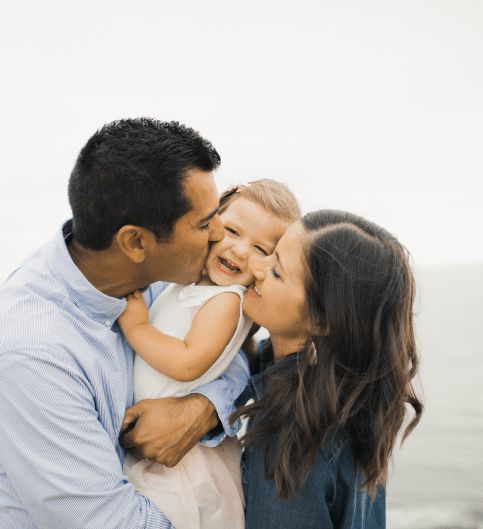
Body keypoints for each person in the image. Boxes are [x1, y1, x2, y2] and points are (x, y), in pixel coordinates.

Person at [0, 118, 250, 528]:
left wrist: (201, 408)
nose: (220, 233)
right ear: (136, 242)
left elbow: (229, 345)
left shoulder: (154, 276)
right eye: (204, 223)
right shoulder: (33, 352)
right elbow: (108, 522)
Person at [117, 179, 300, 529]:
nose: (241, 251)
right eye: (232, 231)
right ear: (210, 222)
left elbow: (188, 362)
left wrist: (137, 328)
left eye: (262, 249)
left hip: (183, 466)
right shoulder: (189, 282)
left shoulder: (225, 301)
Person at [232, 210, 423, 528]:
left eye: (277, 271)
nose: (256, 265)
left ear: (321, 320)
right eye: (271, 253)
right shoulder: (348, 400)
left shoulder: (293, 437)